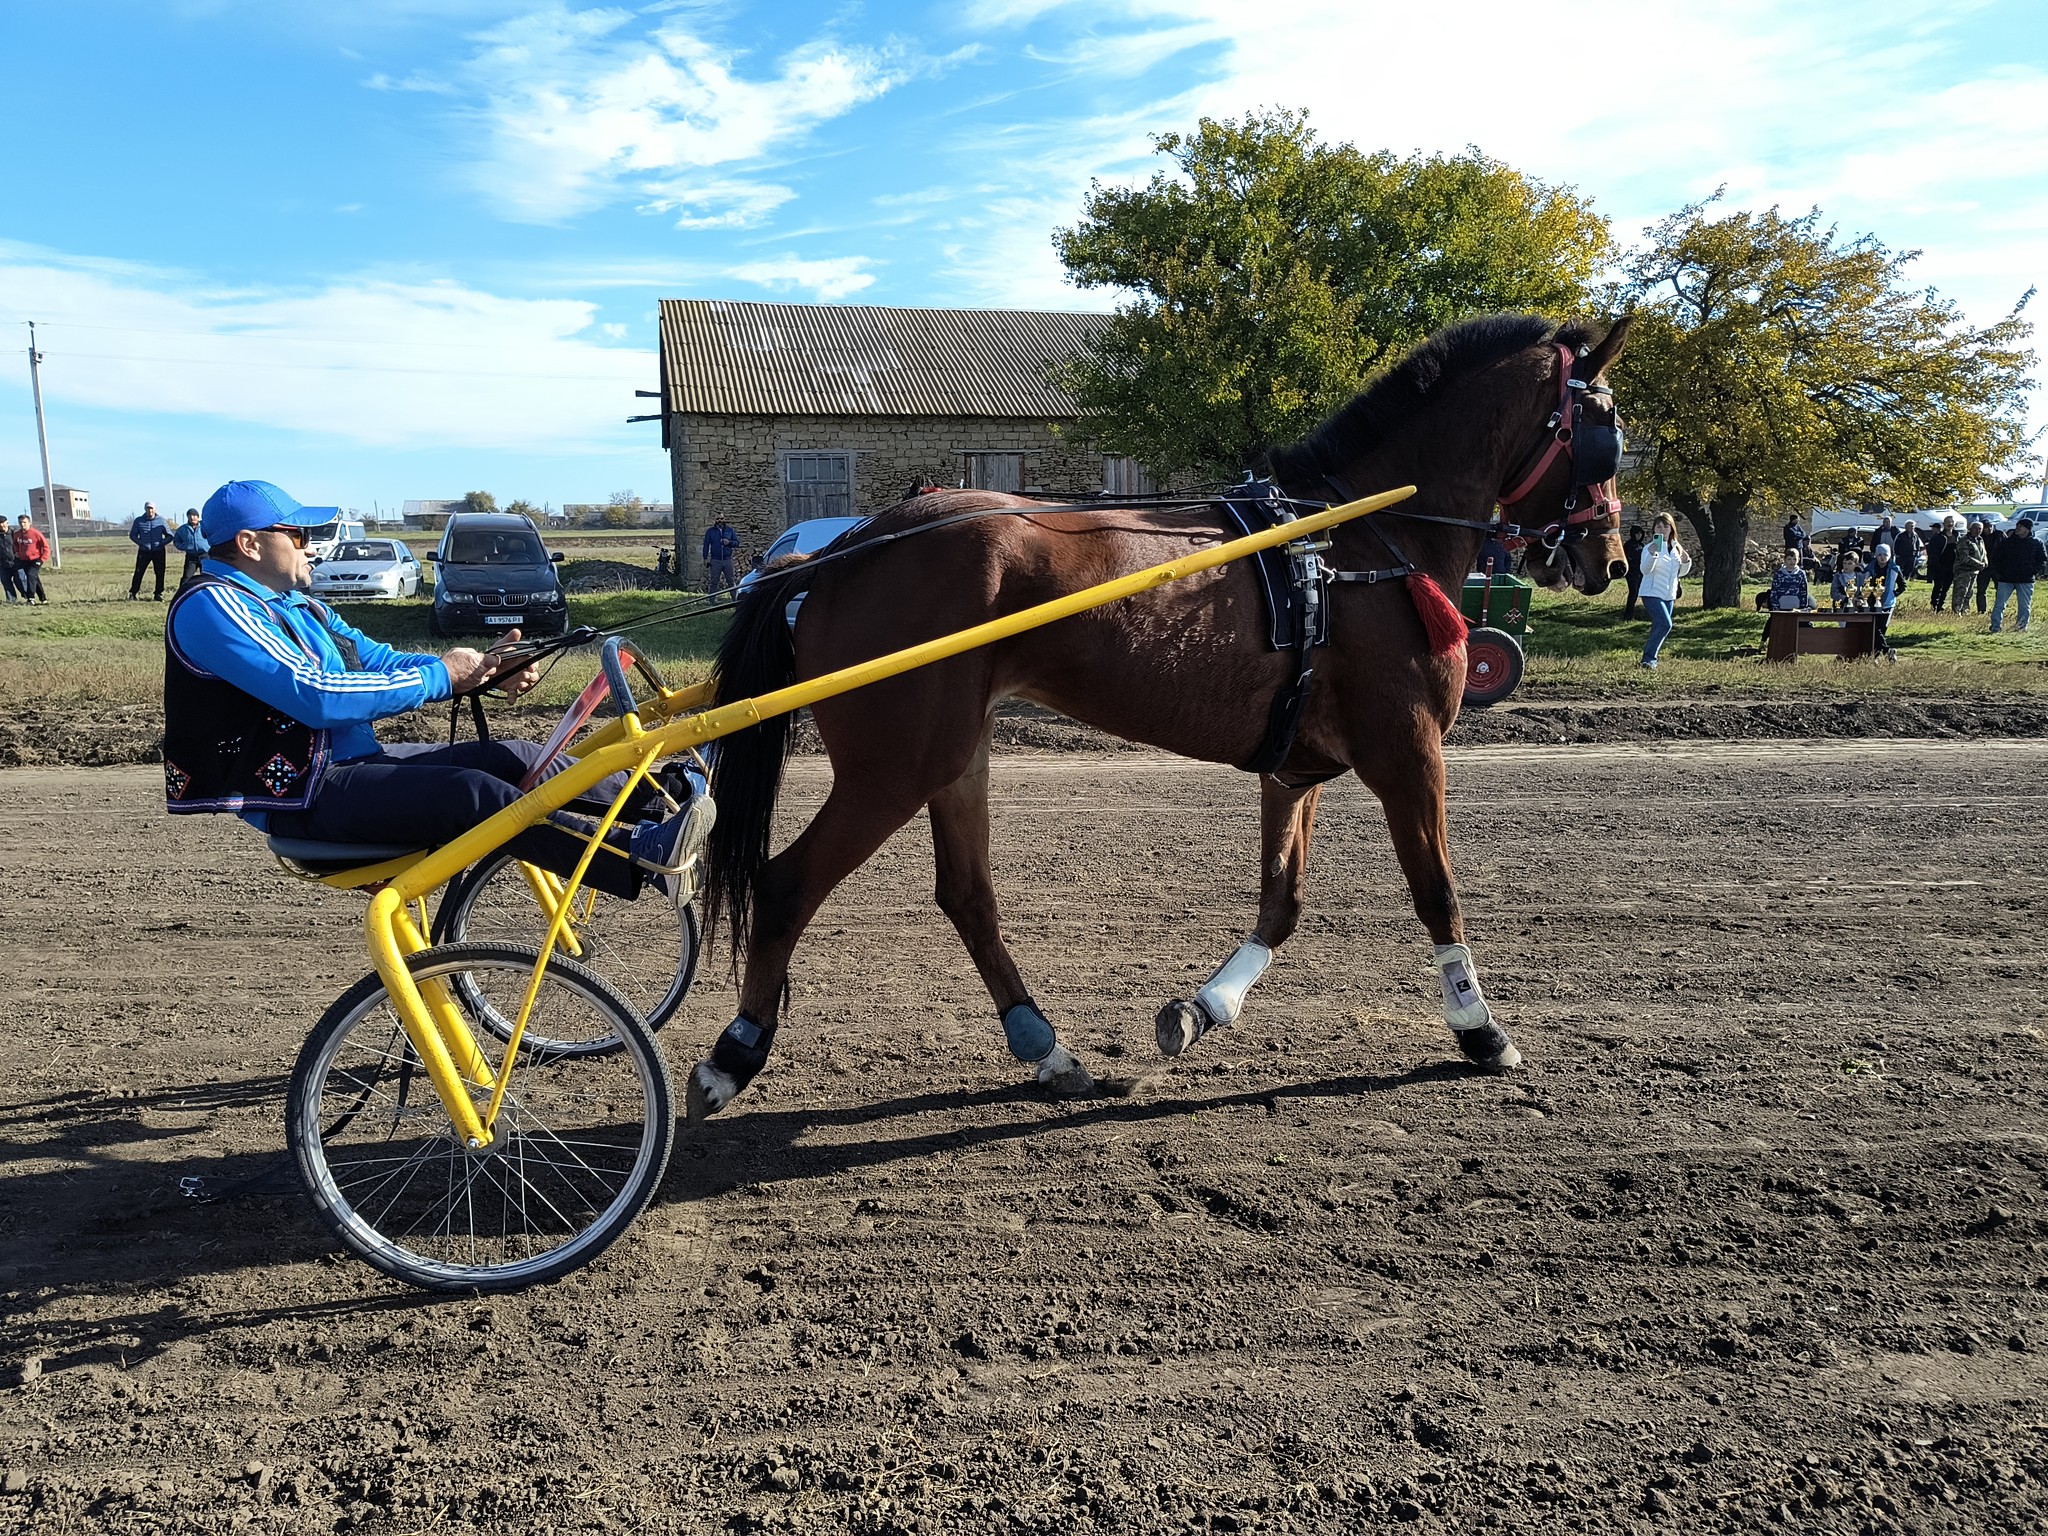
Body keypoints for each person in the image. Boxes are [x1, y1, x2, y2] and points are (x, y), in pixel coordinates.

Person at [162, 479, 712, 900]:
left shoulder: (297, 605)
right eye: (300, 535)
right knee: (471, 794)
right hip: (300, 796)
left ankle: (665, 797)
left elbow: (374, 659)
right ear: (250, 543)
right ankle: (640, 858)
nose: (313, 546)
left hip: (348, 765)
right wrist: (442, 674)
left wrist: (481, 669)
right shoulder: (212, 607)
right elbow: (318, 695)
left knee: (513, 756)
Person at [1636, 512, 1691, 670]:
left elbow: (1680, 573)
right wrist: (1653, 555)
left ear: (1671, 528)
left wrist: (1686, 562)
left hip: (1669, 595)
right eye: (1658, 526)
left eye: (1665, 526)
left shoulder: (1675, 549)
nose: (1662, 529)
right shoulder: (1649, 548)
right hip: (1651, 593)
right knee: (1665, 624)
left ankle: (1648, 659)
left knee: (1658, 626)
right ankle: (1649, 659)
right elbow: (1645, 570)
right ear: (1654, 529)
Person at [1989, 515, 2046, 633]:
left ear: (2028, 529)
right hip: (2006, 578)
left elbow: (2042, 559)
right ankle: (1995, 627)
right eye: (2017, 526)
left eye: (2021, 526)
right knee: (1999, 604)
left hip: (2026, 579)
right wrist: (2001, 572)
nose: (2018, 528)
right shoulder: (2007, 543)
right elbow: (1996, 558)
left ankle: (2021, 628)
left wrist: (2034, 571)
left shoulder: (2036, 543)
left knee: (2024, 606)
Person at [129, 501, 172, 601]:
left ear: (155, 509)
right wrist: (141, 543)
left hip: (159, 551)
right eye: (148, 508)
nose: (150, 510)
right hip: (144, 551)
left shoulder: (161, 521)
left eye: (152, 508)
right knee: (139, 572)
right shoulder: (139, 521)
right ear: (145, 509)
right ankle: (133, 593)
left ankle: (158, 594)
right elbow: (133, 535)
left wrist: (162, 543)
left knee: (160, 573)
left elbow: (170, 535)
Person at [1866, 544, 1901, 657]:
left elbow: (1903, 585)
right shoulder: (1870, 568)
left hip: (1887, 604)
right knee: (1873, 630)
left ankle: (1879, 654)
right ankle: (1886, 652)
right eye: (1879, 554)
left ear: (1889, 556)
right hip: (1872, 604)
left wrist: (1893, 594)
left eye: (1885, 555)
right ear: (1875, 555)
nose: (1882, 557)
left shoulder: (1894, 569)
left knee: (1881, 630)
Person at [1951, 522, 1988, 616]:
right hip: (1963, 571)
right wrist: (1979, 564)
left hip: (1974, 571)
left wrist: (1985, 562)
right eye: (1975, 528)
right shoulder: (1964, 540)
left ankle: (1965, 611)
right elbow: (1964, 557)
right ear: (1970, 528)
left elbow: (1983, 553)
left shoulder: (1980, 539)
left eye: (1980, 529)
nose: (1978, 530)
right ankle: (1956, 612)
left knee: (1969, 593)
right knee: (1960, 592)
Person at [12, 514, 50, 604]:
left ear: (29, 523)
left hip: (35, 559)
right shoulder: (17, 534)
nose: (22, 524)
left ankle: (30, 598)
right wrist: (17, 552)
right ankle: (43, 598)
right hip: (23, 559)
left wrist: (42, 559)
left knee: (30, 575)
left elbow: (46, 547)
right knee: (34, 578)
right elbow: (15, 544)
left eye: (24, 522)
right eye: (20, 522)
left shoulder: (36, 534)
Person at [702, 514, 741, 596]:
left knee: (731, 581)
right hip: (715, 560)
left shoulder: (730, 530)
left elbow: (737, 543)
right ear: (715, 519)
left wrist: (729, 542)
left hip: (727, 560)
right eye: (718, 519)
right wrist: (705, 558)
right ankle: (712, 602)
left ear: (724, 519)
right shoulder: (710, 531)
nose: (720, 520)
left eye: (721, 518)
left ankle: (735, 601)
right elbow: (706, 545)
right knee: (714, 582)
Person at [1925, 518, 1957, 611]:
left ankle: (1941, 605)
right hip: (1940, 566)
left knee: (1946, 587)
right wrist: (1936, 565)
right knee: (1938, 586)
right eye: (1947, 523)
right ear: (1944, 524)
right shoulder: (1938, 537)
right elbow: (1932, 553)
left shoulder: (1957, 535)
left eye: (1951, 522)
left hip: (1952, 566)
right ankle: (1934, 604)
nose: (1950, 524)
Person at [171, 507, 208, 584]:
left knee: (207, 577)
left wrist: (211, 547)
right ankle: (182, 594)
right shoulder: (183, 529)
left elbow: (213, 537)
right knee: (186, 578)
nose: (192, 517)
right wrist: (184, 547)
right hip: (191, 557)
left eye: (194, 515)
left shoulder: (205, 527)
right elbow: (176, 540)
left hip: (205, 555)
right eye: (190, 516)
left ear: (198, 517)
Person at [1621, 524, 1647, 618]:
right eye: (1637, 534)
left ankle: (1641, 613)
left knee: (1641, 592)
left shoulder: (1642, 545)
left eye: (1640, 534)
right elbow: (1627, 558)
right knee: (1633, 592)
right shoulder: (1628, 545)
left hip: (1640, 572)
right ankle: (1628, 614)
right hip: (1632, 573)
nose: (1639, 536)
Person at [1978, 527, 2003, 612]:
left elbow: (2006, 546)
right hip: (1984, 568)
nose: (1989, 529)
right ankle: (1982, 610)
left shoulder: (1999, 535)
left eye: (1990, 526)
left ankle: (1999, 608)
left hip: (1997, 567)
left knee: (2000, 590)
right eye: (1986, 527)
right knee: (1981, 590)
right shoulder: (1979, 537)